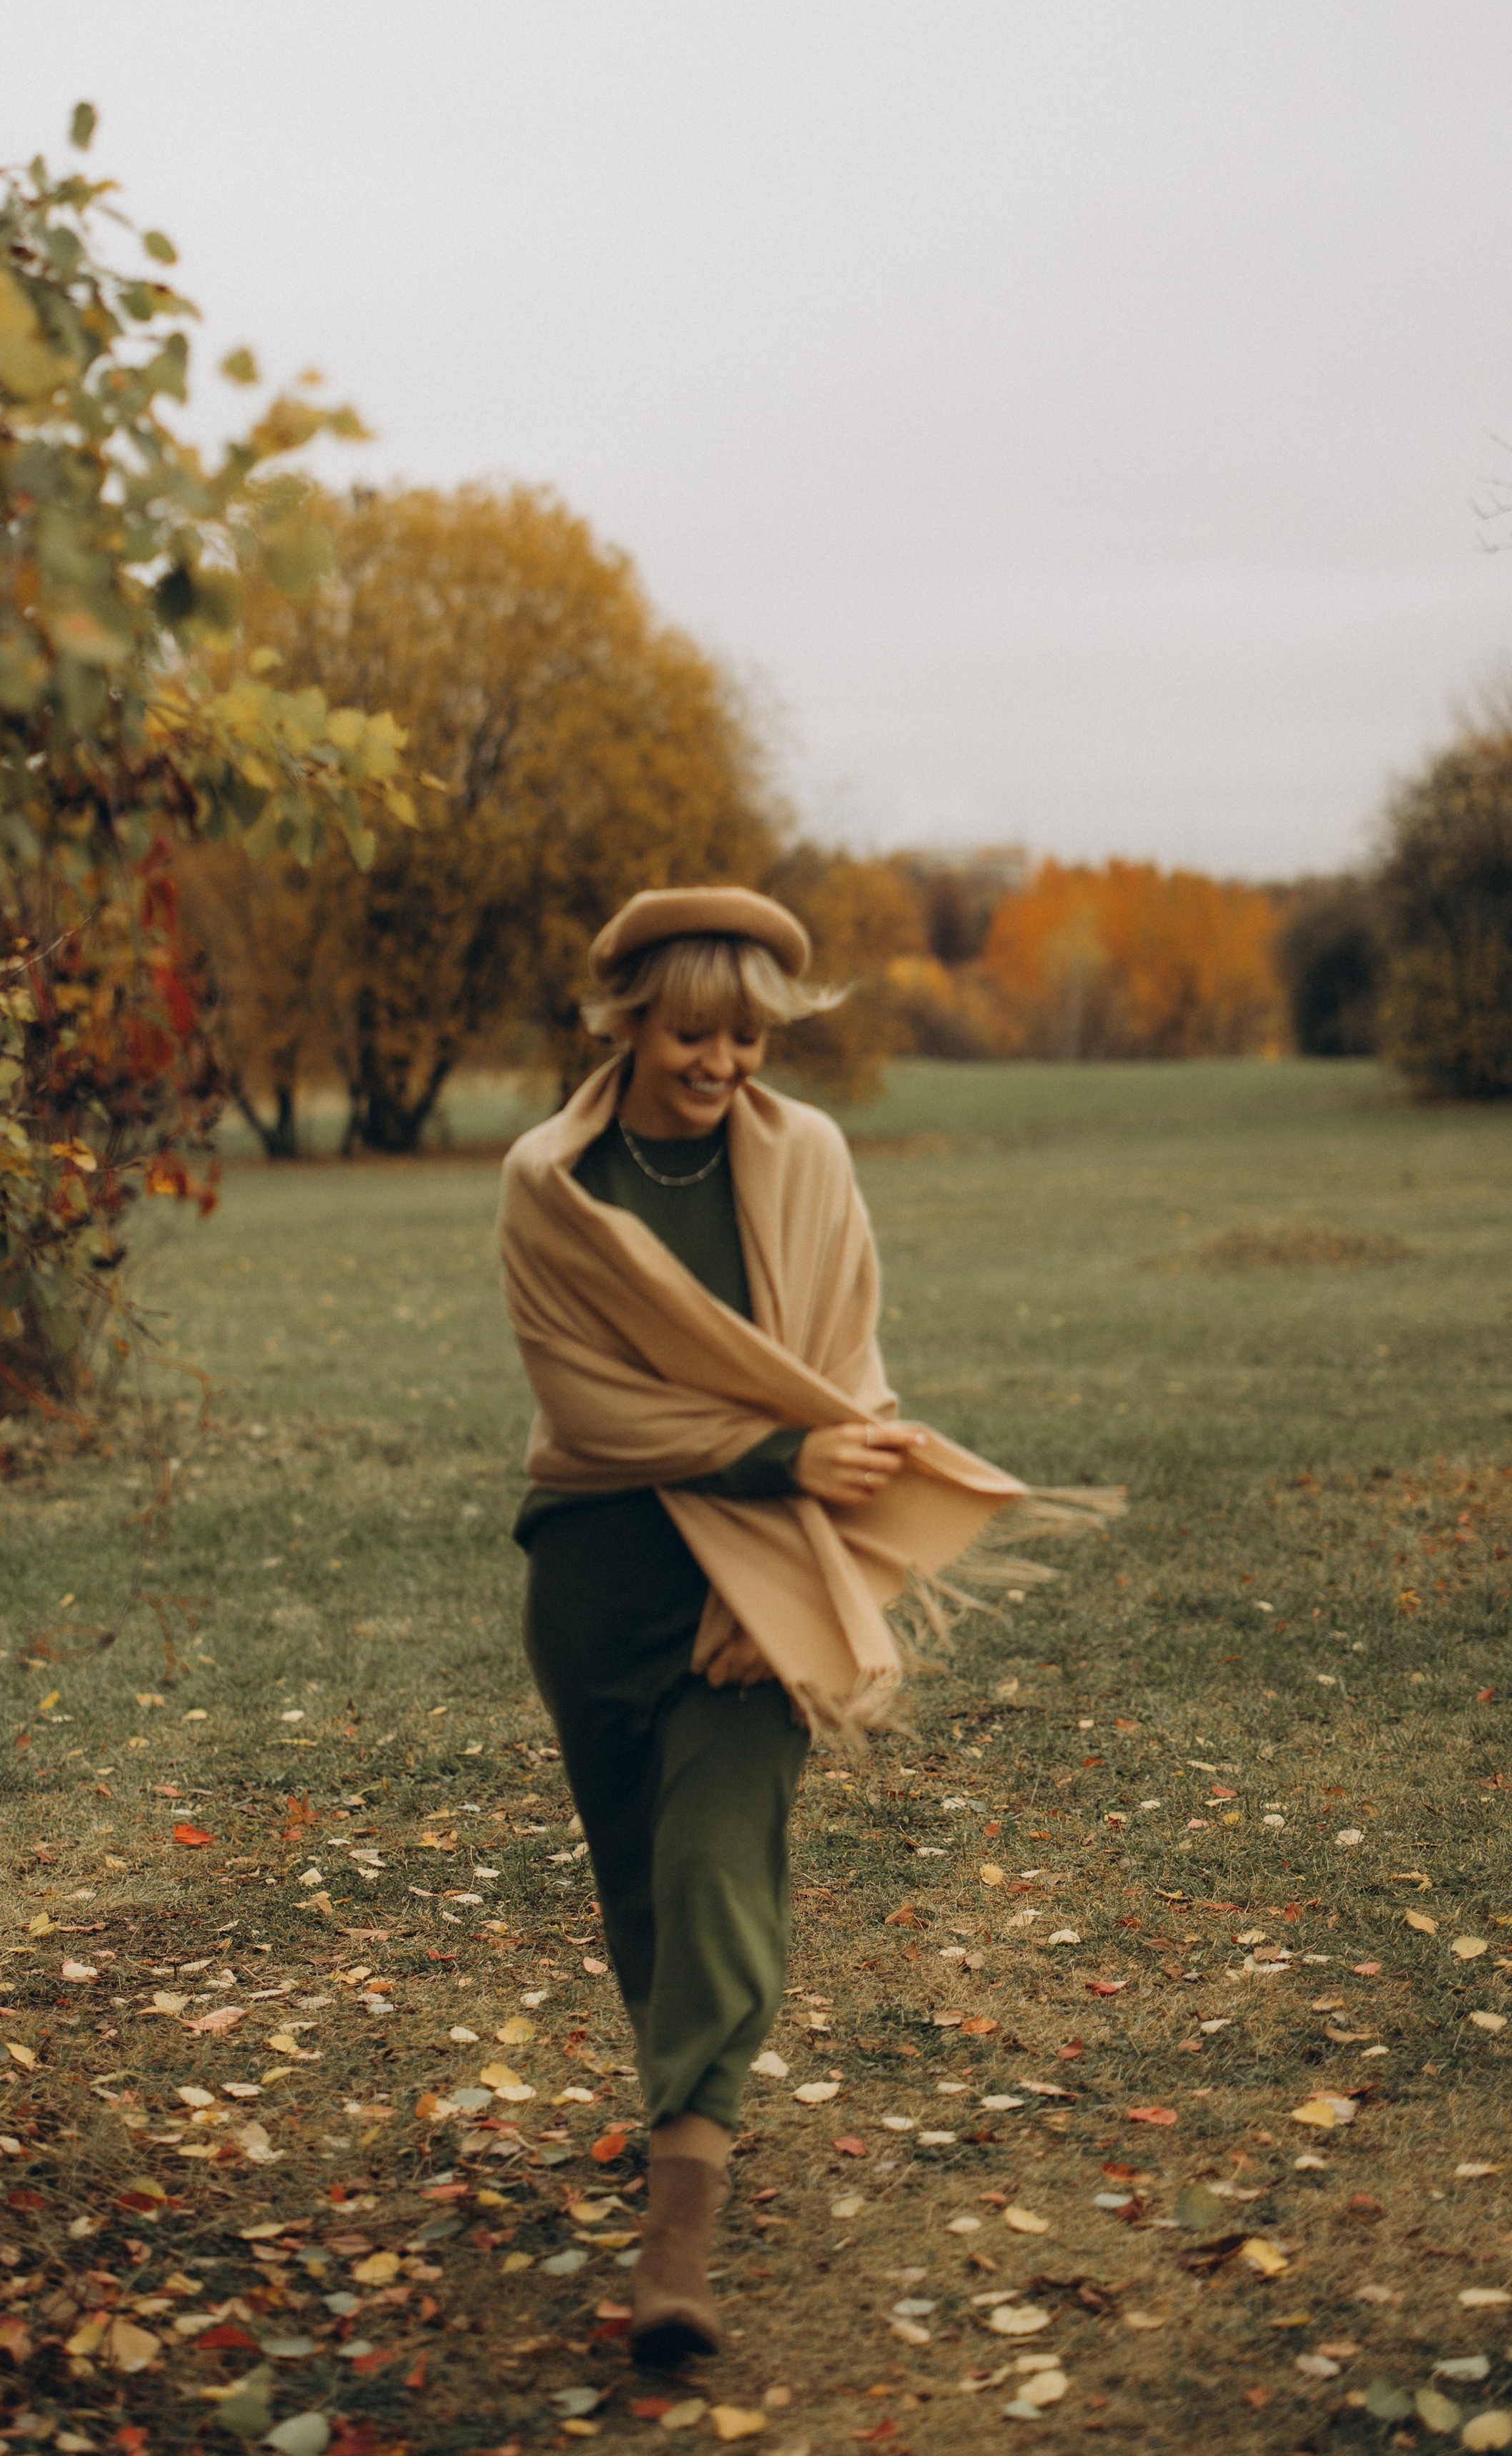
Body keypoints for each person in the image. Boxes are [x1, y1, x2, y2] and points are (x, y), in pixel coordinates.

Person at [499, 886, 1108, 2368]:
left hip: (764, 1581)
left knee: (717, 1873)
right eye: (694, 1032)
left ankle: (677, 2230)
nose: (721, 1064)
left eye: (750, 1035)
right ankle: (682, 2099)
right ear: (628, 1018)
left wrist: (778, 1555)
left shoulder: (807, 1158)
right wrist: (772, 1457)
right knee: (641, 1894)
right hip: (598, 1577)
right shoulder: (550, 1183)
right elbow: (589, 1405)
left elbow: (844, 1374)